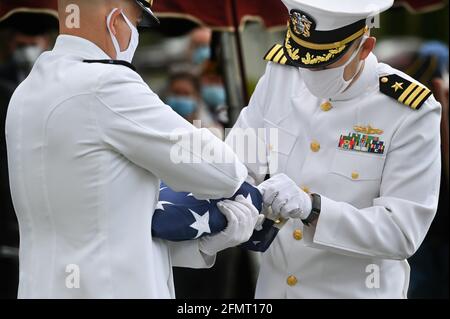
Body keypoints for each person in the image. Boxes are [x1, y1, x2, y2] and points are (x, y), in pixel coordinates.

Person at [5, 0, 260, 299]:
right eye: (136, 24)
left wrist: (202, 243)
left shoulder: (25, 93)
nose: (135, 37)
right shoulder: (108, 84)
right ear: (115, 21)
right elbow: (223, 171)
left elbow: (105, 224)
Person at [226, 0, 442, 298]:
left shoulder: (409, 111)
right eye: (301, 58)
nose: (308, 72)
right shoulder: (281, 75)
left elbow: (401, 232)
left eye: (324, 63)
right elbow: (238, 159)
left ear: (364, 48)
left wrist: (313, 209)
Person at [0, 17, 53, 299]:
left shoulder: (59, 82)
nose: (27, 50)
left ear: (45, 43)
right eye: (21, 45)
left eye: (33, 44)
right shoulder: (3, 83)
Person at [164, 71, 223, 138]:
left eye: (186, 94)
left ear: (197, 97)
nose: (181, 98)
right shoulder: (160, 126)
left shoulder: (210, 131)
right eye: (176, 93)